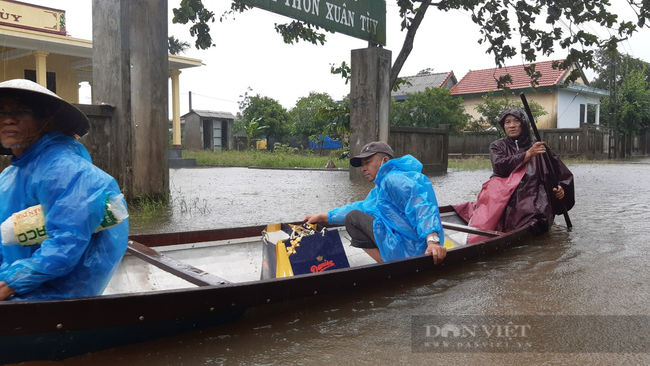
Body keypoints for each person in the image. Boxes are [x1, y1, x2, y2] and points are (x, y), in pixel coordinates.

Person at [0, 79, 129, 301]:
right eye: (1, 113)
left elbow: (67, 240)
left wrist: (12, 282)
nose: (9, 119)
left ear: (45, 121)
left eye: (22, 111)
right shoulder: (9, 176)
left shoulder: (65, 168)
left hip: (58, 291)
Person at [304, 141, 446, 264]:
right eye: (362, 165)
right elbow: (363, 207)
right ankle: (390, 263)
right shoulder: (382, 186)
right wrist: (324, 217)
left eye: (368, 163)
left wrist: (432, 241)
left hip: (417, 247)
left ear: (384, 160)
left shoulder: (394, 179)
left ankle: (390, 266)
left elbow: (420, 206)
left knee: (353, 218)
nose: (363, 168)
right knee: (356, 214)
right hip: (411, 243)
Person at [454, 108, 574, 239]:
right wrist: (527, 155)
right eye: (507, 122)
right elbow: (499, 166)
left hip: (534, 199)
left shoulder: (538, 146)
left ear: (524, 123)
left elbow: (560, 172)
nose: (511, 125)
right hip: (504, 197)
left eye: (516, 121)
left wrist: (561, 187)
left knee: (535, 219)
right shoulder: (497, 146)